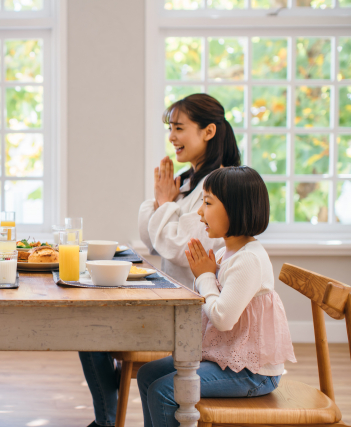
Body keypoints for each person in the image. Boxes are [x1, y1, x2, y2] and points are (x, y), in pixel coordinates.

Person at [80, 94, 242, 427]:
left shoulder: (220, 186)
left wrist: (165, 205)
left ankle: (107, 419)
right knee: (87, 322)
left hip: (189, 313)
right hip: (170, 298)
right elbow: (149, 235)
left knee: (89, 325)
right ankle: (107, 417)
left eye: (179, 128)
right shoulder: (189, 182)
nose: (171, 137)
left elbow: (181, 248)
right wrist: (162, 199)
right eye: (170, 128)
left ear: (209, 131)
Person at [137, 166, 297, 427]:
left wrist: (204, 277)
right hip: (227, 359)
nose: (200, 212)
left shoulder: (249, 260)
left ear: (235, 208)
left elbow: (222, 319)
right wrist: (204, 275)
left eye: (208, 202)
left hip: (252, 373)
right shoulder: (226, 254)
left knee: (164, 390)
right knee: (147, 374)